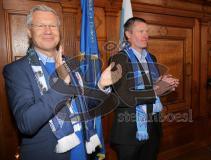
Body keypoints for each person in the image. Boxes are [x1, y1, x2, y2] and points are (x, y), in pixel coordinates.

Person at [3, 5, 121, 160]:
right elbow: (27, 124)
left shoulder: (72, 65)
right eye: (40, 25)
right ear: (29, 32)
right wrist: (62, 86)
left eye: (52, 25)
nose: (48, 30)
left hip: (84, 152)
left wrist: (101, 85)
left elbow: (87, 105)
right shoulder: (17, 70)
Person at [109, 17, 179, 160]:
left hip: (153, 125)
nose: (146, 35)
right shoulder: (119, 59)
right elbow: (122, 97)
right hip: (129, 129)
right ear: (128, 35)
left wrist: (166, 86)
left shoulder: (151, 58)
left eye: (147, 31)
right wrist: (157, 90)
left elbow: (153, 87)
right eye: (141, 31)